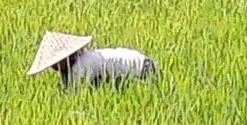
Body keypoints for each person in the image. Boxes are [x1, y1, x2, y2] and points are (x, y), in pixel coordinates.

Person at [26, 31, 157, 89]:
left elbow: (76, 96)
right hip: (136, 65)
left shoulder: (83, 65)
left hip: (143, 69)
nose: (53, 65)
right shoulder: (73, 64)